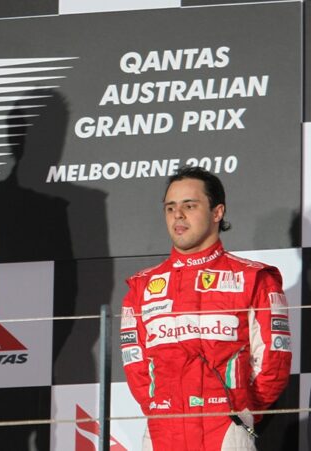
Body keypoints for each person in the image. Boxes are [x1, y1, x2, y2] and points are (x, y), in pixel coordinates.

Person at [120, 166, 291, 450]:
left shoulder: (254, 278)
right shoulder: (142, 286)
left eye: (190, 205)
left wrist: (241, 409)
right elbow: (136, 366)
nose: (178, 214)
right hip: (162, 433)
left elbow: (274, 361)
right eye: (170, 207)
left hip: (226, 431)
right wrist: (161, 408)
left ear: (217, 212)